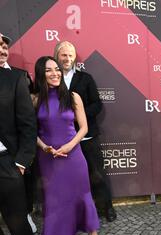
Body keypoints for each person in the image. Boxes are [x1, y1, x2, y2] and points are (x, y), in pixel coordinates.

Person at [32, 56, 103, 235]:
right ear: (40, 74)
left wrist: (69, 146)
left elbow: (84, 128)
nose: (55, 73)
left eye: (56, 69)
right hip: (49, 158)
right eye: (48, 70)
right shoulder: (35, 100)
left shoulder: (72, 97)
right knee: (58, 200)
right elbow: (31, 131)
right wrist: (45, 147)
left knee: (82, 195)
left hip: (72, 155)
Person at [54, 41, 117, 222]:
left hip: (87, 135)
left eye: (70, 55)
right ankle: (75, 212)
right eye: (64, 55)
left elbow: (97, 104)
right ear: (57, 56)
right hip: (61, 139)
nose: (67, 59)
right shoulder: (50, 79)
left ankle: (107, 208)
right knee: (68, 178)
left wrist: (76, 116)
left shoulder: (85, 78)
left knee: (97, 173)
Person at [0, 34, 40, 235]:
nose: (1, 49)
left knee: (17, 221)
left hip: (6, 162)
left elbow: (28, 124)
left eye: (3, 45)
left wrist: (21, 163)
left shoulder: (15, 78)